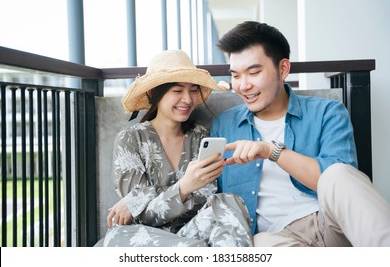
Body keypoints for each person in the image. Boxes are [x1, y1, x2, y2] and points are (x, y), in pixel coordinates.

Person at [211, 21, 390, 247]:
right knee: (258, 246)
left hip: (331, 224)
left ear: (283, 69)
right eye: (235, 76)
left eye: (254, 72)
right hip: (275, 238)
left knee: (337, 174)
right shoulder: (224, 125)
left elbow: (338, 184)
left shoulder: (327, 112)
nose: (243, 85)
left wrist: (271, 151)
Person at [99, 49, 252, 247]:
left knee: (227, 201)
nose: (188, 99)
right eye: (177, 91)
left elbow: (204, 197)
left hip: (190, 232)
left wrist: (141, 197)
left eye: (193, 90)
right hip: (143, 236)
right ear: (153, 93)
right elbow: (140, 216)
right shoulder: (130, 139)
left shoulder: (201, 137)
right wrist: (184, 187)